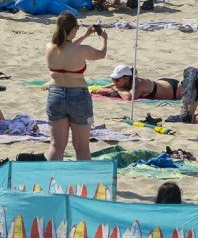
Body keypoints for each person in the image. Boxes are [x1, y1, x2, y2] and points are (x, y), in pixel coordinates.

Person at [45, 13, 105, 161]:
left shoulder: (49, 47)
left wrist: (84, 35)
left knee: (56, 146)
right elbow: (101, 54)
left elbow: (67, 47)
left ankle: (50, 180)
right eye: (77, 28)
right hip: (78, 96)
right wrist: (104, 38)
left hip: (55, 94)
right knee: (82, 147)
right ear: (72, 30)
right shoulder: (81, 50)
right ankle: (83, 181)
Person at [94, 64, 185, 101]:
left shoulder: (138, 85)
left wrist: (118, 89)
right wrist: (102, 89)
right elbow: (104, 88)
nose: (114, 82)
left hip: (175, 90)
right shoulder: (126, 82)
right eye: (113, 79)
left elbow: (129, 98)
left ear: (126, 78)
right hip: (162, 83)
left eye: (117, 79)